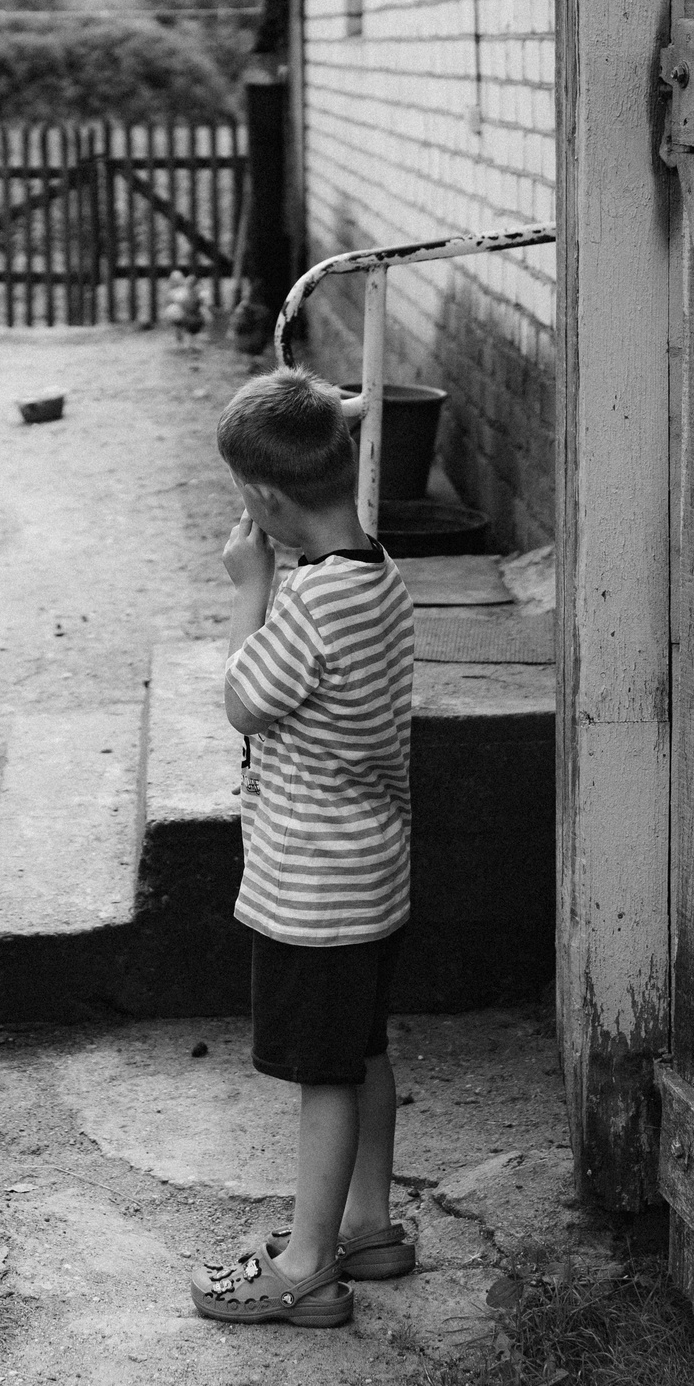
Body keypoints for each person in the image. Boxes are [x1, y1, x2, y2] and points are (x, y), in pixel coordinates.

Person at [191, 369, 418, 1330]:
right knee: (361, 1048)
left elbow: (244, 701)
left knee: (324, 1071)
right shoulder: (379, 576)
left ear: (270, 502)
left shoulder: (309, 608)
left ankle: (309, 1264)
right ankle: (367, 1222)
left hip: (313, 890)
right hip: (371, 872)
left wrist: (252, 593)